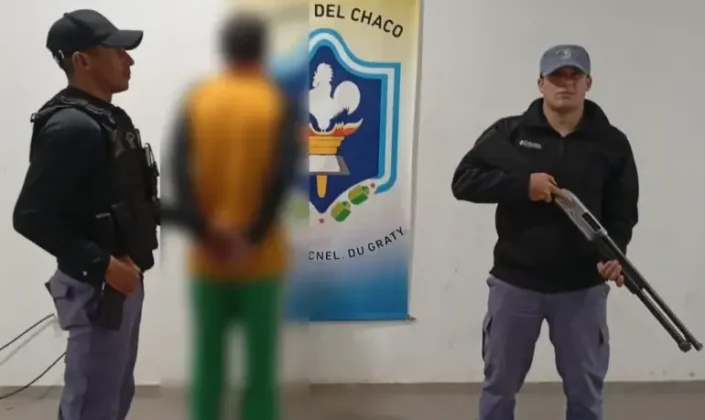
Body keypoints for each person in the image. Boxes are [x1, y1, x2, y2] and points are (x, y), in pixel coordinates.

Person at [451, 44, 639, 420]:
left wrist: (614, 255)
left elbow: (622, 214)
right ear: (540, 83)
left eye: (574, 76)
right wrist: (523, 186)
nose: (565, 84)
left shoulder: (612, 143)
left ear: (588, 83)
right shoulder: (508, 133)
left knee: (585, 392)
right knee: (499, 386)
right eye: (556, 76)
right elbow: (463, 182)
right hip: (515, 284)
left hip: (582, 289)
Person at [12, 9, 159, 420]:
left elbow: (121, 197)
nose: (129, 60)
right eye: (117, 51)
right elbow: (30, 216)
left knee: (112, 398)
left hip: (120, 282)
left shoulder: (107, 119)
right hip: (99, 288)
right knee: (92, 405)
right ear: (83, 60)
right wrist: (104, 265)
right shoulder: (71, 127)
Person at [164, 12, 301, 420]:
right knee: (261, 365)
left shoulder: (198, 99)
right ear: (262, 50)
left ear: (224, 49)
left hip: (209, 258)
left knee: (208, 360)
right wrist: (253, 237)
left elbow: (179, 170)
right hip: (261, 258)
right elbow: (282, 176)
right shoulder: (277, 102)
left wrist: (205, 233)